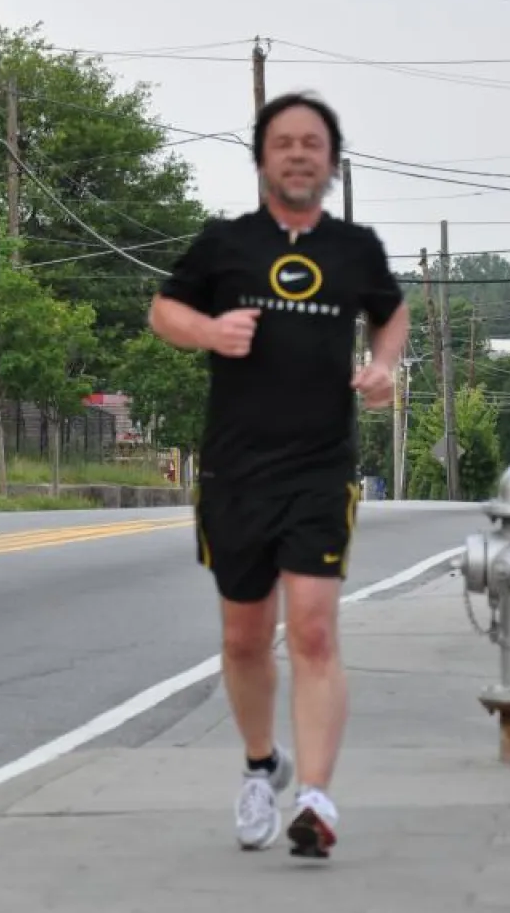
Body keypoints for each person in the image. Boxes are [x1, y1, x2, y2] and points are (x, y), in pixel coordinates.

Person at [147, 92, 409, 858]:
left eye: (314, 144)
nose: (299, 153)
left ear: (331, 162)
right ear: (263, 157)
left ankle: (318, 800)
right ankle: (262, 766)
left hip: (321, 466)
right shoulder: (225, 244)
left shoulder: (355, 248)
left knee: (316, 631)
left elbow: (389, 312)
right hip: (235, 468)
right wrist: (210, 329)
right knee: (244, 637)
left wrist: (385, 365)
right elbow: (164, 311)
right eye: (285, 142)